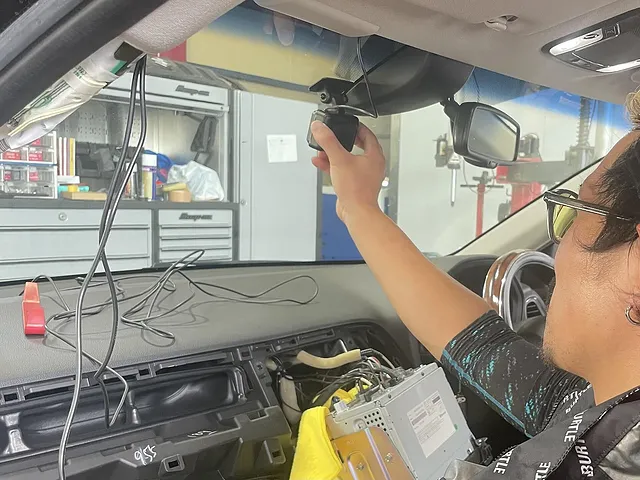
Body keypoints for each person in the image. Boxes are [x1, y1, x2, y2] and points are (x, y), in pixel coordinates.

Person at [309, 93, 640, 479]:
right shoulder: (614, 415)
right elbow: (483, 349)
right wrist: (358, 207)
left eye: (578, 213)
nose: (559, 250)